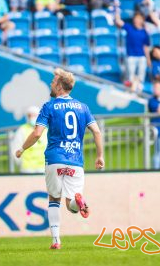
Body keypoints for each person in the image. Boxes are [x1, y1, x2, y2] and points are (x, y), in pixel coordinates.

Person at [15, 68, 105, 249]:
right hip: (75, 160)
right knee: (71, 204)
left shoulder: (49, 106)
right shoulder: (83, 107)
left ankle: (56, 240)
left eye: (53, 81)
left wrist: (22, 148)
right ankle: (78, 200)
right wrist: (100, 156)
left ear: (59, 86)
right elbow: (96, 131)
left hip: (54, 158)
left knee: (54, 199)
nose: (50, 83)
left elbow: (37, 133)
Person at [115, 11, 150, 93]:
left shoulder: (144, 32)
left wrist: (148, 59)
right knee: (130, 77)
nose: (136, 20)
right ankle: (130, 92)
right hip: (131, 56)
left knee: (141, 77)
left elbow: (146, 47)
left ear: (142, 20)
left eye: (138, 19)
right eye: (135, 18)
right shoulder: (129, 28)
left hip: (142, 57)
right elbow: (119, 23)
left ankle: (139, 92)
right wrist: (117, 13)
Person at [11, 106, 48, 173]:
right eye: (29, 115)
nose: (31, 118)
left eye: (34, 115)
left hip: (43, 168)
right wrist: (20, 164)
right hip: (27, 169)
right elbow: (15, 149)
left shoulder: (45, 130)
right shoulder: (22, 130)